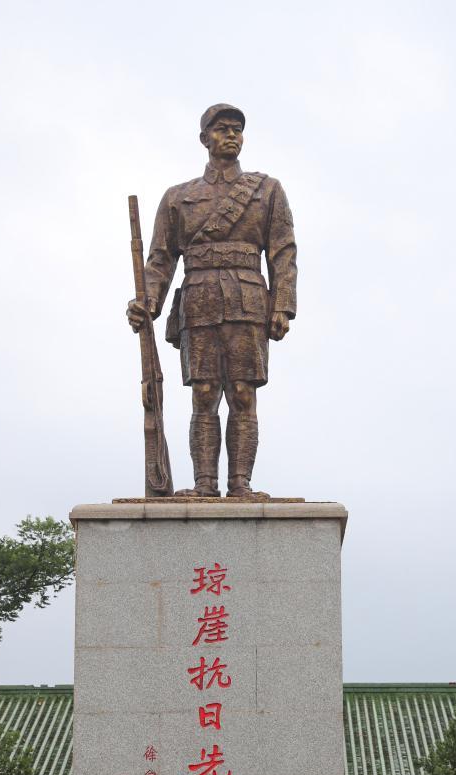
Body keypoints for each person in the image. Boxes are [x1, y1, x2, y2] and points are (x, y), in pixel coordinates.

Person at [126, 103, 297, 498]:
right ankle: (205, 484)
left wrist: (282, 306)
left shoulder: (267, 190)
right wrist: (147, 303)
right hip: (199, 301)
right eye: (222, 129)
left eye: (237, 129)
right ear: (205, 138)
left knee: (243, 394)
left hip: (248, 301)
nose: (231, 135)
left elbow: (283, 251)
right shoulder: (179, 197)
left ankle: (240, 484)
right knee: (203, 394)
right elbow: (160, 259)